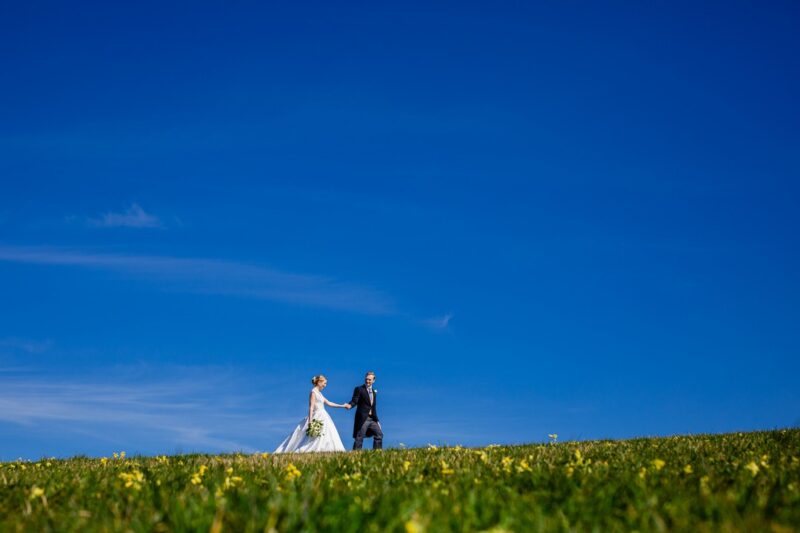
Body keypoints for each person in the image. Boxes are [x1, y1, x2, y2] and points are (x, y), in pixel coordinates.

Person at [274, 375, 348, 453]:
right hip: (317, 415)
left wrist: (343, 405)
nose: (325, 385)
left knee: (327, 433)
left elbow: (329, 403)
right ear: (319, 382)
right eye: (324, 383)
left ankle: (326, 449)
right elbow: (311, 407)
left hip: (324, 415)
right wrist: (310, 421)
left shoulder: (320, 394)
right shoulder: (313, 392)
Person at [345, 371, 383, 450]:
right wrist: (350, 405)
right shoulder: (359, 389)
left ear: (373, 380)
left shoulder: (374, 392)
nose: (367, 381)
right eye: (366, 379)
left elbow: (373, 407)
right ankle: (355, 455)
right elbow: (355, 400)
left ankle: (377, 453)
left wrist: (377, 421)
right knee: (359, 437)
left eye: (369, 379)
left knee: (379, 434)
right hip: (363, 418)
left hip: (372, 419)